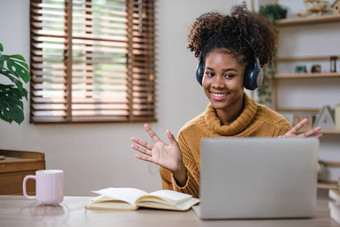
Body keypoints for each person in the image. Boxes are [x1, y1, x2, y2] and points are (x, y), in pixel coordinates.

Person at [130, 4, 322, 198]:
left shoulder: (276, 129)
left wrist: (291, 163)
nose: (217, 84)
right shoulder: (188, 135)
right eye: (210, 73)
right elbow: (189, 209)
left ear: (249, 77)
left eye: (229, 76)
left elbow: (287, 199)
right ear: (200, 74)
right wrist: (180, 173)